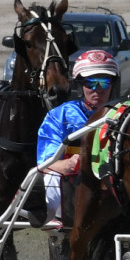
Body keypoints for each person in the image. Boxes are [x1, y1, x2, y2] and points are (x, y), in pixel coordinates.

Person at [35, 49, 117, 230]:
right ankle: (57, 220)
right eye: (90, 82)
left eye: (103, 82)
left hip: (111, 184)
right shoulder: (60, 115)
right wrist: (68, 164)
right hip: (71, 184)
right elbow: (46, 162)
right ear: (80, 85)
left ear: (112, 85)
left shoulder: (121, 114)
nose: (97, 89)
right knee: (51, 177)